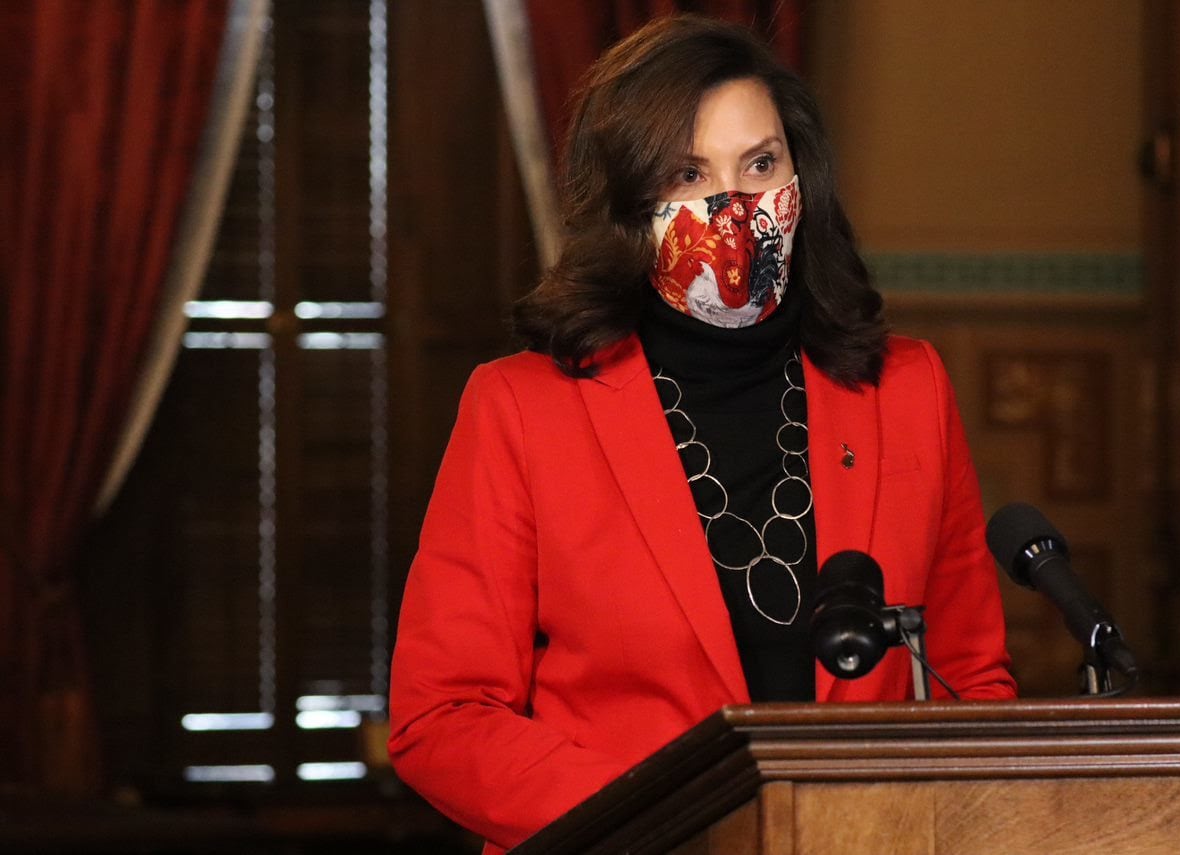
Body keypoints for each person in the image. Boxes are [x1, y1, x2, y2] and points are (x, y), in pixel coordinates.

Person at [388, 14, 1015, 853]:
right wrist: (674, 825)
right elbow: (443, 718)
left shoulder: (908, 387)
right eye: (688, 173)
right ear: (626, 201)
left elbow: (971, 682)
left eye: (760, 163)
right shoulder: (520, 408)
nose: (734, 205)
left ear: (804, 175)